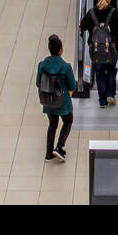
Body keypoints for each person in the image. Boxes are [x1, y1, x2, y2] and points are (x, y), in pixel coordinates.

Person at [79, 0, 118, 108]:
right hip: (112, 49)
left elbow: (82, 26)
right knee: (111, 71)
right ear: (110, 0)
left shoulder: (91, 13)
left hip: (96, 51)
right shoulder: (114, 13)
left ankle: (102, 101)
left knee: (100, 74)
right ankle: (111, 94)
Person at [36, 34, 77, 162]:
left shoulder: (42, 65)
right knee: (68, 121)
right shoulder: (65, 67)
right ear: (60, 50)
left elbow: (38, 83)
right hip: (62, 102)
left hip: (48, 101)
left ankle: (49, 152)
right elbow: (72, 86)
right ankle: (59, 147)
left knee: (52, 124)